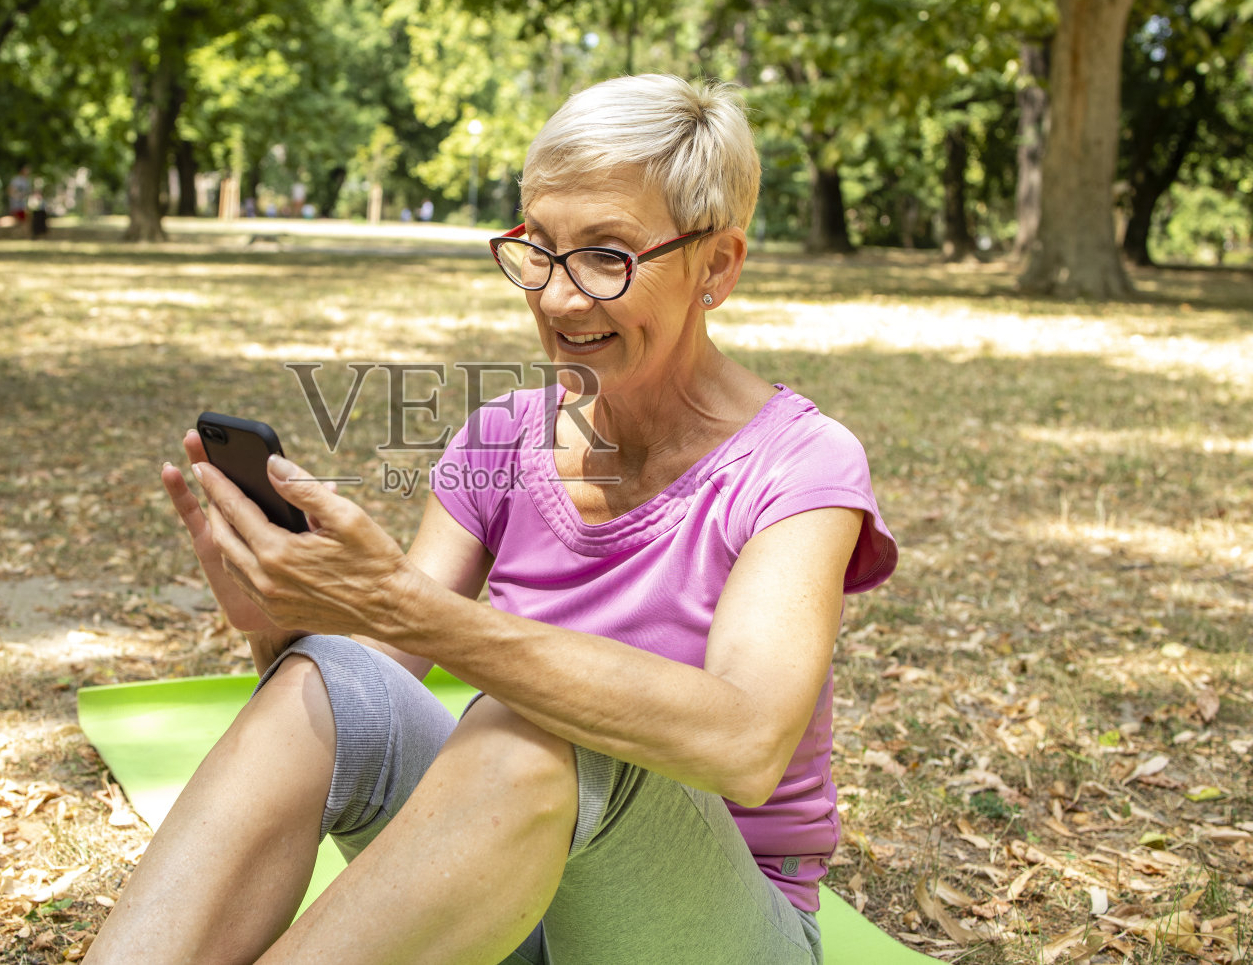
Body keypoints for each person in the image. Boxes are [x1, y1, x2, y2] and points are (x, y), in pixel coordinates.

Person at [88, 74, 898, 964]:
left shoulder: (802, 462)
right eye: (539, 248)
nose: (554, 298)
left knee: (535, 721)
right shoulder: (500, 436)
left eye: (606, 255)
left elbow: (746, 741)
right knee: (332, 673)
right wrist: (281, 615)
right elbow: (377, 682)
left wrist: (402, 604)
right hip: (504, 900)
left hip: (704, 928)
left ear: (718, 266)